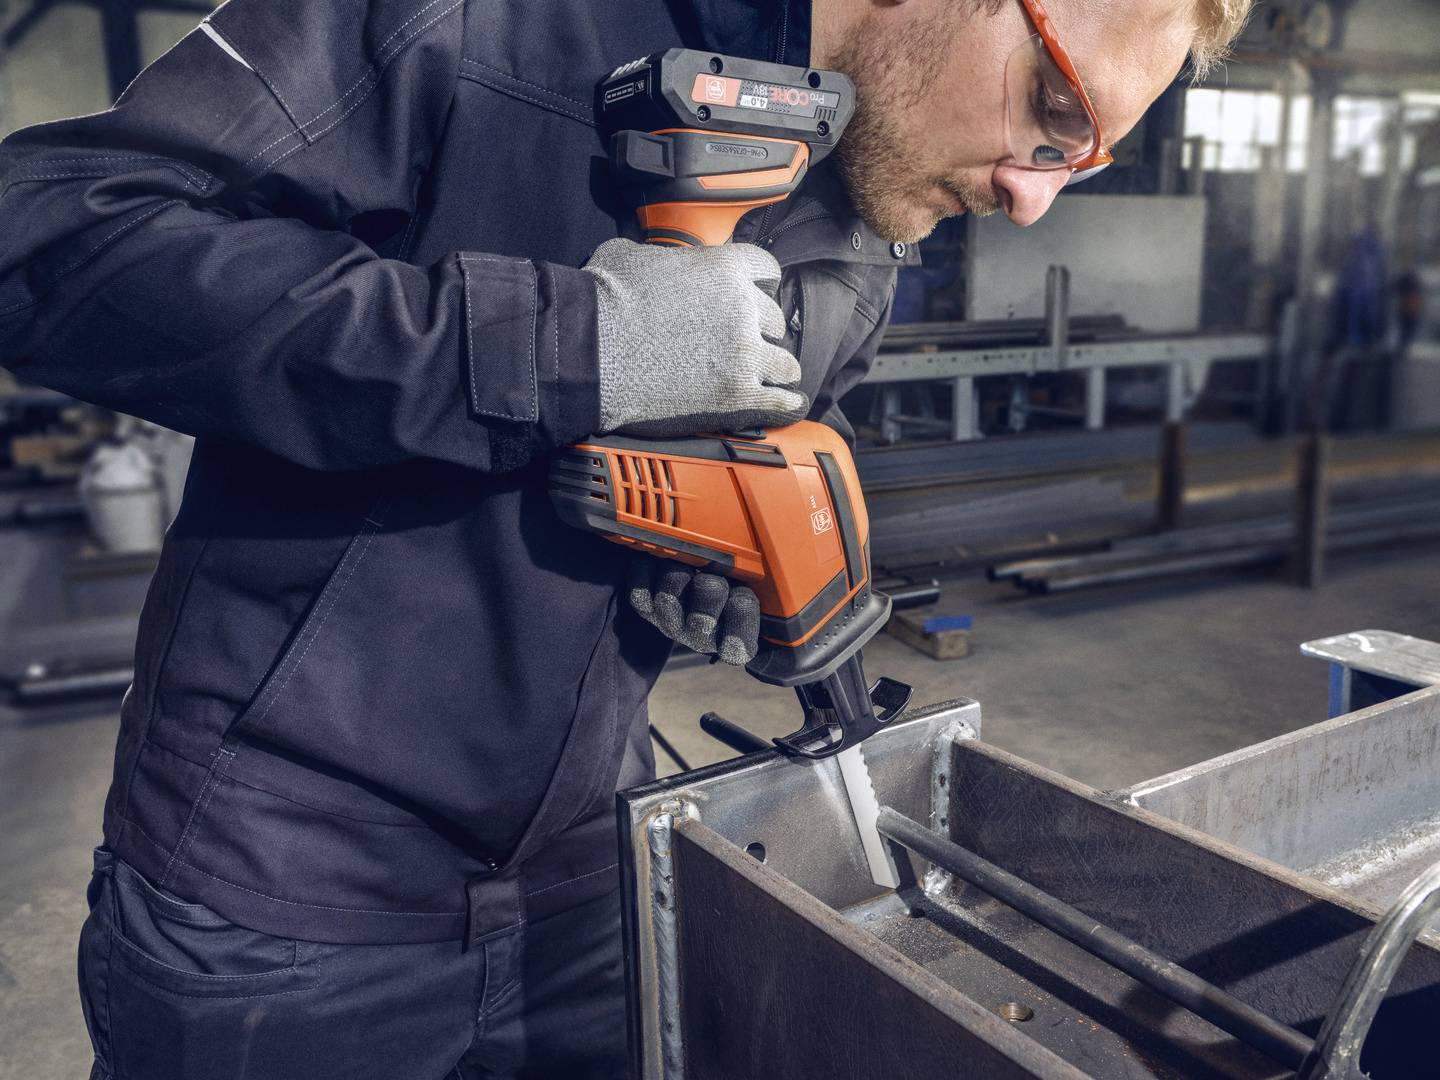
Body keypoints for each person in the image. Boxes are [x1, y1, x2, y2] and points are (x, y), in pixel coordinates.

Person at [0, 0, 1251, 1075]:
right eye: (1054, 109)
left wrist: (726, 568)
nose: (1034, 197)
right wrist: (560, 346)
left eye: (1085, 159)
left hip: (591, 867)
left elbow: (753, 428)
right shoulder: (488, 19)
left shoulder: (877, 178)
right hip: (282, 897)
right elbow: (51, 229)